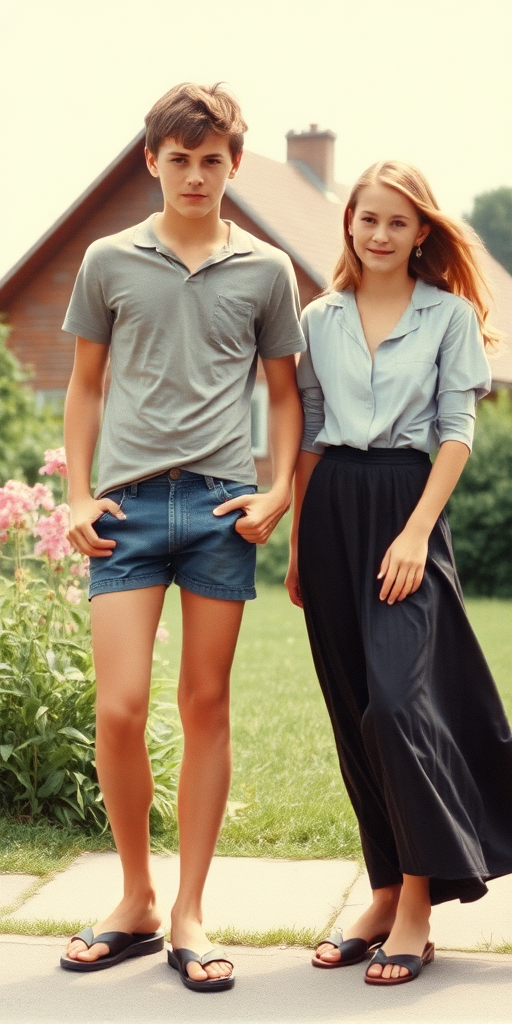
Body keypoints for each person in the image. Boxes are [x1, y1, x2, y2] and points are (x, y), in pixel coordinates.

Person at [60, 82, 305, 991]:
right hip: (124, 511)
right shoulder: (107, 259)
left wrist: (277, 488)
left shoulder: (268, 270)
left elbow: (284, 397)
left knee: (205, 706)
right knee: (119, 708)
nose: (196, 175)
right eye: (180, 158)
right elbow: (84, 387)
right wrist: (78, 496)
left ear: (233, 165)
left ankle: (190, 914)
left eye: (213, 160)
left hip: (217, 510)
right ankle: (134, 899)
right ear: (150, 161)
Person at [285, 160, 512, 987]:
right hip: (332, 504)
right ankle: (381, 891)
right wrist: (302, 548)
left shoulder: (447, 317)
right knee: (354, 709)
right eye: (366, 218)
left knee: (397, 706)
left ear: (423, 233)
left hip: (406, 507)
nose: (378, 234)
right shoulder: (319, 317)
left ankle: (416, 904)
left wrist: (417, 530)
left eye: (396, 221)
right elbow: (309, 430)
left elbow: (456, 431)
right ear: (349, 223)